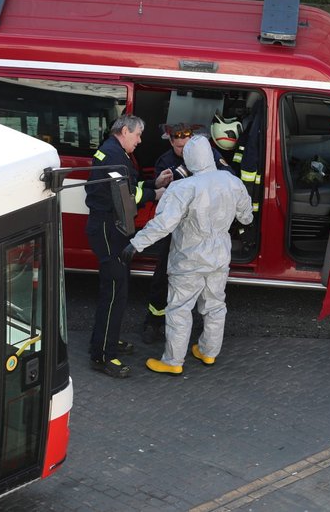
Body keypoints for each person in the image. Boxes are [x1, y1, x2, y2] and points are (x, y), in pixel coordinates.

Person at [121, 135, 253, 375]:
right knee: (214, 306)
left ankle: (173, 361)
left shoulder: (184, 187)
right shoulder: (232, 181)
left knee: (179, 309)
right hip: (219, 255)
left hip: (189, 258)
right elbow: (246, 216)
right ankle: (208, 352)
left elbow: (164, 224)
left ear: (190, 158)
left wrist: (136, 244)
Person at [86, 114, 172, 378]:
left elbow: (128, 186)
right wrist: (154, 194)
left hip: (114, 229)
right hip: (109, 230)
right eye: (138, 135)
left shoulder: (114, 152)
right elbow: (124, 195)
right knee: (114, 293)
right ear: (125, 131)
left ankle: (107, 341)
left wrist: (152, 183)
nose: (140, 140)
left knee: (119, 291)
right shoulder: (113, 155)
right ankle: (102, 356)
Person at [142, 122, 233, 344]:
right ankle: (154, 322)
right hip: (176, 229)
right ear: (171, 142)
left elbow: (228, 176)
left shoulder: (209, 153)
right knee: (163, 275)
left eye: (186, 146)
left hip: (204, 227)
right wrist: (173, 177)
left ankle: (195, 330)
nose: (182, 151)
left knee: (209, 285)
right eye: (178, 147)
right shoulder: (165, 161)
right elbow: (164, 196)